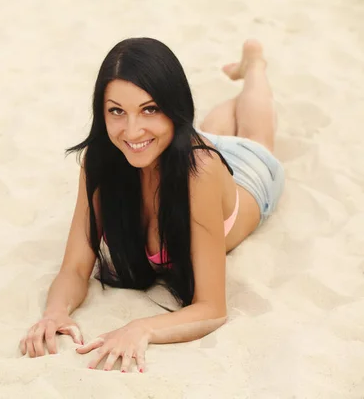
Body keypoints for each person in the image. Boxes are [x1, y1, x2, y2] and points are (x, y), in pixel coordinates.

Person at [19, 38, 285, 373]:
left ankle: (255, 65)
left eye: (150, 109)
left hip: (249, 175)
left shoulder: (199, 173)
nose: (131, 129)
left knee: (254, 136)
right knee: (206, 133)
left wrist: (139, 328)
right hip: (171, 147)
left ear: (173, 108)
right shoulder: (102, 161)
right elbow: (74, 268)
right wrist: (55, 312)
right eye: (117, 111)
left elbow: (213, 307)